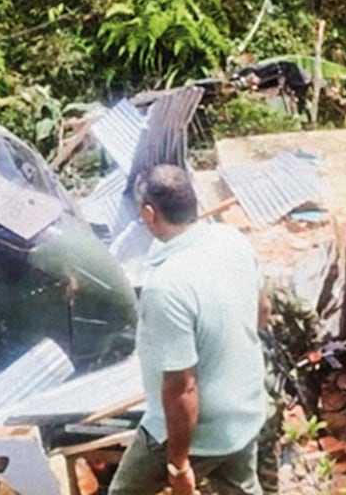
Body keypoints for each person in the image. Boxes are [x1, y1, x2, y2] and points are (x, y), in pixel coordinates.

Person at [108, 164, 266, 495]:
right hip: (245, 409)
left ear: (149, 214)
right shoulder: (233, 240)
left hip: (200, 432)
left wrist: (178, 465)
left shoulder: (166, 286)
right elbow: (261, 312)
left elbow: (182, 389)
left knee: (122, 492)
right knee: (240, 487)